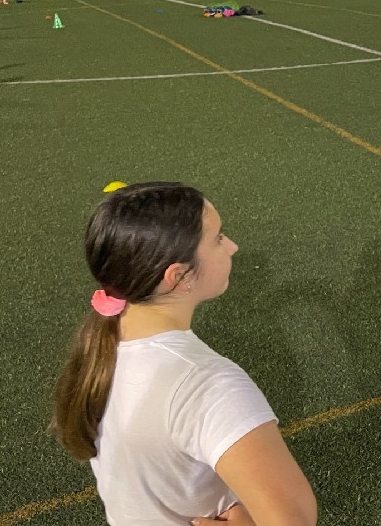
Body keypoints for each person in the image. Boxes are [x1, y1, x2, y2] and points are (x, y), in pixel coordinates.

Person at [50, 183, 316, 525]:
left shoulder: (104, 343)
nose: (233, 247)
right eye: (218, 238)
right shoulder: (209, 385)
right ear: (179, 276)